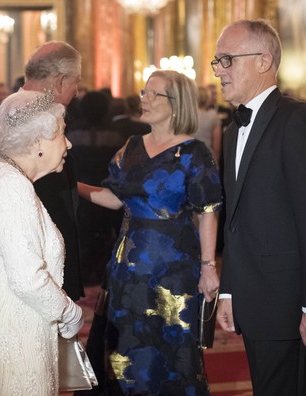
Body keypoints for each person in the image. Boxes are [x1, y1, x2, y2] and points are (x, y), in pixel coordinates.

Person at [213, 20, 306, 396]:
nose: (219, 70)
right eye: (217, 61)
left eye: (227, 60)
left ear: (263, 61)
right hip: (255, 300)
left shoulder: (298, 121)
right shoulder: (233, 129)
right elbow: (238, 222)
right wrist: (229, 291)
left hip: (293, 304)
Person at [78, 70, 222, 395]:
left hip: (174, 273)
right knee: (123, 351)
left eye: (153, 94)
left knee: (172, 355)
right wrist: (70, 186)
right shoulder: (130, 147)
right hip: (127, 272)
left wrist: (210, 267)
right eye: (144, 92)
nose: (144, 98)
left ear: (176, 104)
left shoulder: (194, 153)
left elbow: (209, 211)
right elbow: (114, 198)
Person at [0, 89, 83, 395]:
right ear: (38, 142)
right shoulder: (12, 187)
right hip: (16, 341)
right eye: (62, 134)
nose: (68, 143)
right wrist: (69, 312)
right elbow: (28, 279)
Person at [22, 40, 85, 301]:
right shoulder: (25, 115)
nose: (77, 91)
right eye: (76, 82)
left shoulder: (33, 108)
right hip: (38, 253)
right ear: (60, 82)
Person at [67, 91, 126, 285]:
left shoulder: (73, 133)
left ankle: (84, 271)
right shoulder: (114, 134)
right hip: (105, 187)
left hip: (81, 187)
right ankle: (101, 270)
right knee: (104, 232)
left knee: (82, 232)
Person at [195, 86, 222, 163]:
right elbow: (217, 146)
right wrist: (215, 162)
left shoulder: (188, 115)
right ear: (207, 99)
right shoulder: (213, 115)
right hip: (207, 157)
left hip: (189, 157)